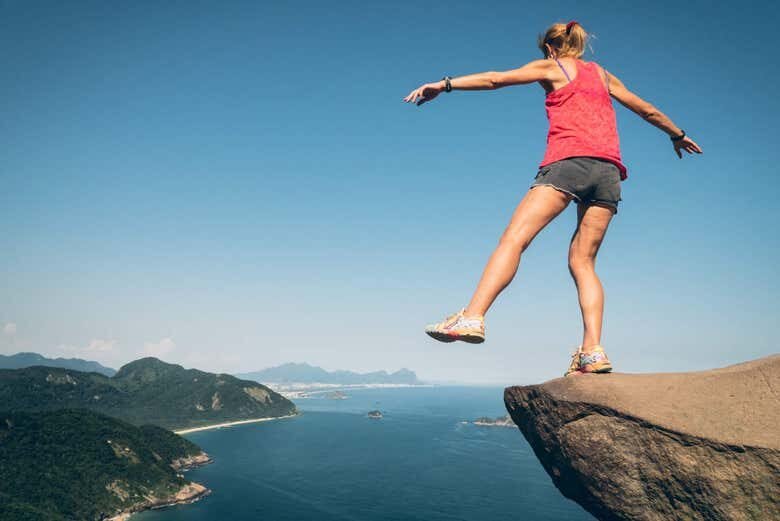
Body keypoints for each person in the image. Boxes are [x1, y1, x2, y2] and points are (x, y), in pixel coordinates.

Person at [402, 21, 702, 376]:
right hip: (609, 174)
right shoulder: (603, 75)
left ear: (549, 48)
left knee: (514, 239)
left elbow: (496, 78)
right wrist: (677, 135)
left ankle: (473, 316)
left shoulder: (552, 67)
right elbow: (646, 109)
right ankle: (592, 350)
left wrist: (445, 84)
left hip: (568, 164)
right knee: (584, 263)